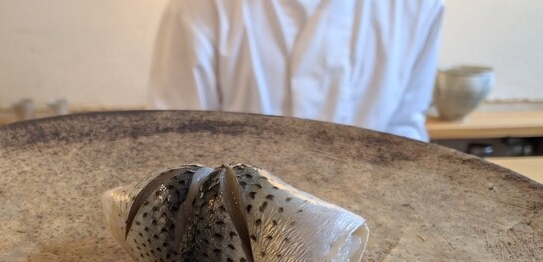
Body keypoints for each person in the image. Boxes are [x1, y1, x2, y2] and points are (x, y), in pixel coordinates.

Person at [148, 0, 444, 142]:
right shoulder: (201, 8)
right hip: (233, 227)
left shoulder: (419, 7)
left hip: (373, 217)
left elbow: (404, 129)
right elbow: (178, 143)